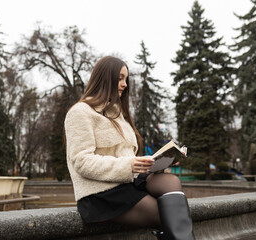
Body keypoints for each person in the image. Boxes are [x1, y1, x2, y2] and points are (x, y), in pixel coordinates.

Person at [64, 56, 195, 239]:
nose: (125, 84)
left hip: (129, 182)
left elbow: (128, 158)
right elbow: (81, 162)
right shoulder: (80, 112)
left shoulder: (119, 114)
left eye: (126, 79)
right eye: (120, 78)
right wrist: (129, 166)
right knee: (167, 215)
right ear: (104, 78)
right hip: (101, 192)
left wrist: (162, 161)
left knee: (170, 181)